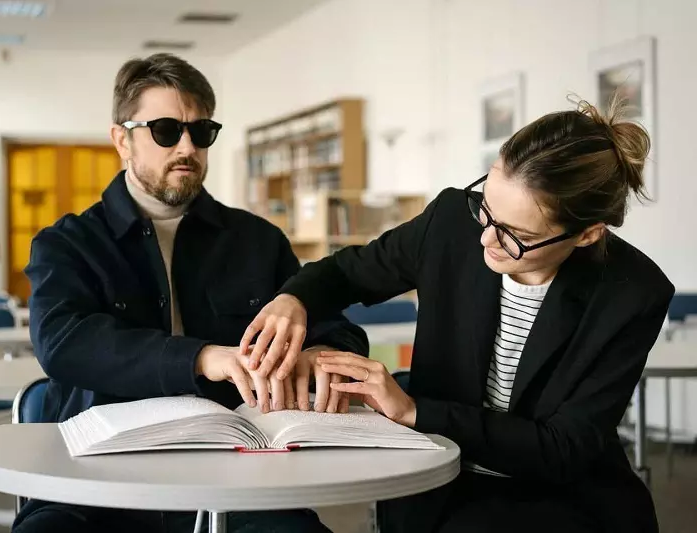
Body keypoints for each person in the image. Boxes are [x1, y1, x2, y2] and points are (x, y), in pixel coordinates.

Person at [241, 98, 673, 533]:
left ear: (586, 234)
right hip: (438, 473)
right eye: (486, 209)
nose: (486, 238)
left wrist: (412, 410)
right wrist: (292, 300)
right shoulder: (451, 221)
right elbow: (344, 272)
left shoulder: (632, 293)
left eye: (516, 236)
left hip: (559, 493)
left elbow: (564, 448)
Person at [17, 53, 367, 533]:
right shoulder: (65, 243)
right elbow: (63, 342)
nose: (187, 146)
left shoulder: (259, 241)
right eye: (165, 130)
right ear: (122, 139)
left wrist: (321, 353)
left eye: (201, 132)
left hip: (240, 475)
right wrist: (203, 358)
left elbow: (334, 327)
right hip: (99, 481)